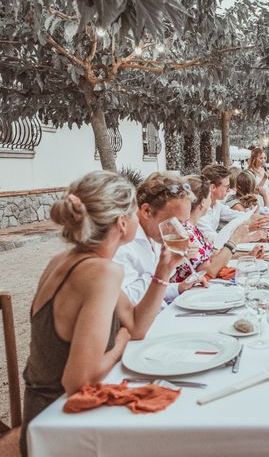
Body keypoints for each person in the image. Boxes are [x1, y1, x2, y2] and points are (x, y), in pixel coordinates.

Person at [21, 171, 180, 455]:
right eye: (133, 211)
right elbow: (78, 381)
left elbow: (137, 325)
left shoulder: (68, 260)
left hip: (40, 412)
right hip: (60, 423)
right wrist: (120, 342)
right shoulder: (103, 272)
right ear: (122, 222)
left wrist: (164, 270)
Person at [114, 172, 203, 307]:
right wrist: (164, 269)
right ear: (147, 211)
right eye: (175, 222)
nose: (181, 230)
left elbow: (153, 290)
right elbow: (127, 300)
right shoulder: (122, 243)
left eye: (183, 223)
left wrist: (179, 288)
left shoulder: (155, 234)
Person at [172, 174, 254, 283]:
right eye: (209, 197)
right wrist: (235, 238)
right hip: (186, 294)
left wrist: (247, 255)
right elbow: (210, 270)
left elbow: (214, 256)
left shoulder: (192, 227)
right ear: (202, 202)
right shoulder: (185, 231)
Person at [198, 164, 267, 248]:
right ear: (213, 187)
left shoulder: (217, 205)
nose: (229, 190)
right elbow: (214, 241)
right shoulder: (199, 211)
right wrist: (250, 237)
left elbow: (243, 216)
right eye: (227, 186)